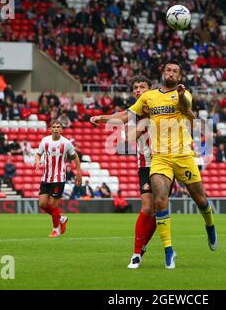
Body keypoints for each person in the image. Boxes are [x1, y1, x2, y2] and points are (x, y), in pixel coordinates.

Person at [91, 60, 217, 269]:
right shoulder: (143, 107)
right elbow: (126, 124)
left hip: (177, 155)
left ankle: (207, 226)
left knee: (195, 199)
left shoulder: (176, 97)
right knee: (152, 205)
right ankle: (144, 252)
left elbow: (188, 113)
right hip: (150, 161)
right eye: (136, 88)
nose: (139, 91)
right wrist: (105, 119)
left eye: (142, 87)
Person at [35, 120, 82, 238]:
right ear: (50, 129)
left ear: (61, 129)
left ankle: (55, 230)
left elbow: (75, 157)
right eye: (54, 127)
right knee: (42, 203)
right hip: (46, 177)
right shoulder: (44, 141)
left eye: (58, 127)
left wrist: (79, 173)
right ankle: (61, 218)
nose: (56, 129)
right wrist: (37, 161)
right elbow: (38, 153)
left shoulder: (66, 143)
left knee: (52, 204)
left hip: (59, 178)